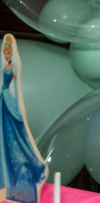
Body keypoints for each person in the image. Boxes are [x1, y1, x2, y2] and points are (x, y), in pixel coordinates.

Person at [1, 36, 46, 201]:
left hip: (7, 98)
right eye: (5, 53)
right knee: (4, 131)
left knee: (11, 130)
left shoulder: (12, 66)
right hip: (4, 97)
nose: (7, 56)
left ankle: (18, 182)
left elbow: (15, 81)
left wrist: (17, 104)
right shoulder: (6, 67)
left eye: (8, 53)